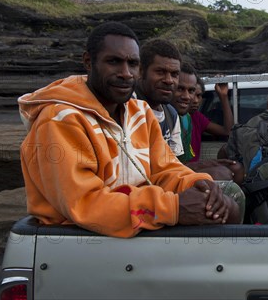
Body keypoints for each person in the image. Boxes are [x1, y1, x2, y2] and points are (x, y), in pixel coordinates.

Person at [18, 22, 240, 238]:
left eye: (132, 63)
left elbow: (165, 169)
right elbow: (84, 204)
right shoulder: (59, 120)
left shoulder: (141, 112)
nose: (126, 73)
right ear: (88, 62)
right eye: (114, 62)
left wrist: (199, 184)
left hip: (133, 231)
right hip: (78, 241)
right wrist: (172, 208)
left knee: (229, 207)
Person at [134, 38, 183, 157]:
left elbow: (174, 163)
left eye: (174, 74)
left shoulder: (171, 115)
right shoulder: (124, 108)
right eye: (160, 72)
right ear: (141, 71)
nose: (169, 80)